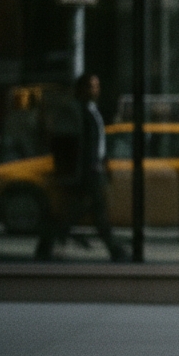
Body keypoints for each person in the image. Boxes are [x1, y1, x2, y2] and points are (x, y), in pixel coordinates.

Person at [35, 73, 127, 262]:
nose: (96, 89)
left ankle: (47, 244)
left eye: (97, 85)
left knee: (78, 212)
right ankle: (115, 250)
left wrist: (104, 163)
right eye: (92, 86)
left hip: (93, 170)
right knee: (93, 212)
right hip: (85, 171)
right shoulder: (75, 111)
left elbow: (97, 142)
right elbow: (71, 144)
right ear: (82, 89)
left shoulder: (92, 110)